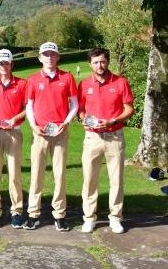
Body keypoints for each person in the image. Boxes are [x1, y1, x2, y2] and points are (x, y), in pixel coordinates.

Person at [78, 48, 134, 234]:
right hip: (92, 137)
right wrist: (85, 118)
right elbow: (81, 110)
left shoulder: (120, 82)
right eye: (95, 62)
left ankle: (115, 218)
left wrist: (113, 120)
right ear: (89, 64)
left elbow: (129, 109)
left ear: (107, 61)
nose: (99, 65)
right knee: (89, 179)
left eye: (102, 61)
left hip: (114, 136)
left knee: (116, 179)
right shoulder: (84, 84)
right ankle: (89, 218)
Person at [24, 42, 78, 231]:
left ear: (57, 57)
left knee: (59, 174)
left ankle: (59, 214)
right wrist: (33, 125)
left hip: (60, 132)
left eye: (52, 54)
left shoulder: (67, 77)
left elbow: (74, 104)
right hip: (40, 132)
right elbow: (29, 106)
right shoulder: (32, 79)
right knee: (36, 174)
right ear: (40, 57)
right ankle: (33, 213)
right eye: (45, 54)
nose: (49, 57)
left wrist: (66, 122)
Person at [0, 49, 27, 229]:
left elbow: (28, 109)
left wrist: (15, 118)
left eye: (7, 63)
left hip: (14, 132)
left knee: (14, 173)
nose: (4, 66)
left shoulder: (22, 84)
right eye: (0, 63)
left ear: (12, 64)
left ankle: (16, 211)